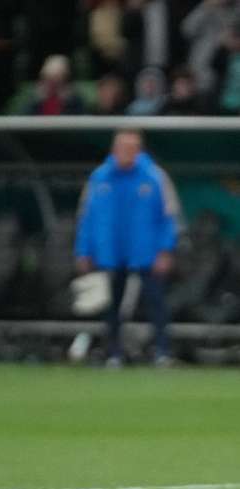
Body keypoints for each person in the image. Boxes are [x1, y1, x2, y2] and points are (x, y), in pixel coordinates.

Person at [74, 129, 179, 366]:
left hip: (147, 252)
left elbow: (169, 217)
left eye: (132, 148)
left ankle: (162, 352)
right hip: (110, 252)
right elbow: (86, 218)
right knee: (111, 305)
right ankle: (114, 353)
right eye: (123, 148)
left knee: (156, 302)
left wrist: (165, 250)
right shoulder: (99, 178)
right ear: (114, 149)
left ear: (139, 150)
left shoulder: (154, 177)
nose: (127, 153)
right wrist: (84, 251)